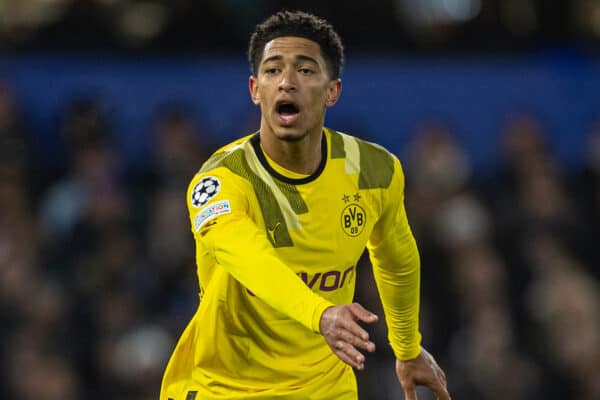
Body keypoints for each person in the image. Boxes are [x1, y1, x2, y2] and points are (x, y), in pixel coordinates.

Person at [160, 10, 450, 400]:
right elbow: (248, 258)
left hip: (325, 390)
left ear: (333, 91)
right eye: (273, 70)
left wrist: (407, 347)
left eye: (306, 70)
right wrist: (321, 314)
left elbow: (396, 259)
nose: (287, 82)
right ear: (254, 89)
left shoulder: (373, 170)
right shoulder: (221, 180)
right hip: (226, 388)